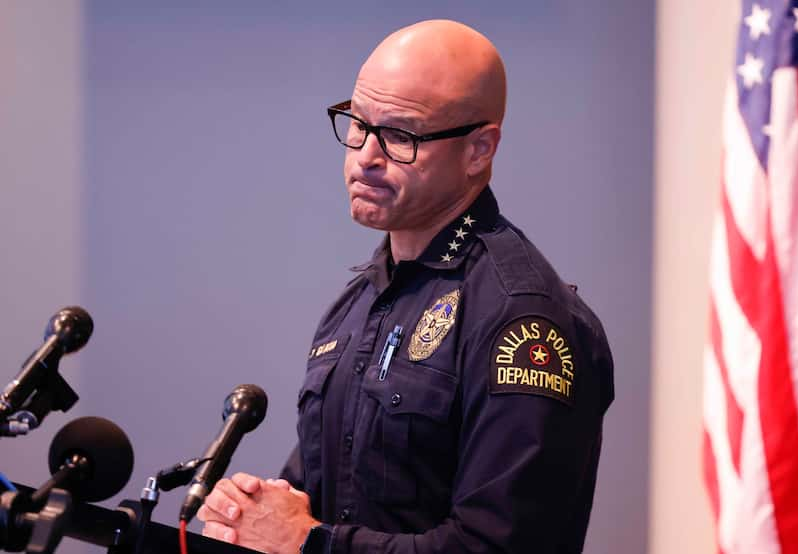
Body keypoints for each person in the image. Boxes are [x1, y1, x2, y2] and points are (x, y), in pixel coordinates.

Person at [196, 19, 614, 553]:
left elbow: (500, 546)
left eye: (400, 136)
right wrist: (252, 514)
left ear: (479, 150)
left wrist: (311, 543)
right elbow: (318, 502)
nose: (366, 155)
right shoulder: (358, 303)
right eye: (357, 123)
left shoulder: (522, 319)